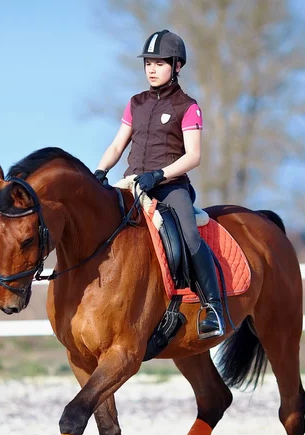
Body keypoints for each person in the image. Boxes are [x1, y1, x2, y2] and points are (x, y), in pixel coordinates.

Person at [94, 29, 225, 339]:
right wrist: (99, 171)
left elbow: (193, 156)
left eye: (159, 63)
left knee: (190, 237)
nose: (151, 69)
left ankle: (214, 308)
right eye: (148, 63)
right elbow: (116, 146)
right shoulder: (135, 103)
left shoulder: (188, 106)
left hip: (170, 188)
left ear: (177, 66)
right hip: (132, 185)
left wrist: (160, 174)